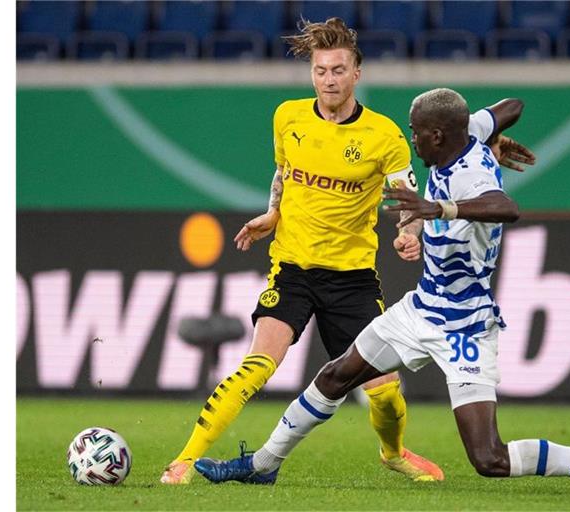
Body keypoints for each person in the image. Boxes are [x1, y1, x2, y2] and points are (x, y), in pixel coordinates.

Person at [192, 88, 570, 493]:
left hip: (465, 322)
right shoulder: (471, 134)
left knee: (490, 459)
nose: (412, 138)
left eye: (416, 131)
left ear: (438, 136)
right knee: (336, 375)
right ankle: (262, 466)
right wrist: (495, 132)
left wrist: (437, 208)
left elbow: (505, 207)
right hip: (420, 308)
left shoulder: (472, 175)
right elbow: (513, 104)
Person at [161, 18, 535, 485]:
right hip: (293, 267)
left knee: (383, 392)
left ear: (356, 72)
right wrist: (273, 214)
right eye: (320, 71)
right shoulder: (287, 116)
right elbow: (284, 172)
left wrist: (409, 231)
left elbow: (407, 196)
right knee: (257, 365)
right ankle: (184, 460)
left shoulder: (385, 136)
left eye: (338, 70)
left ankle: (393, 452)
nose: (328, 79)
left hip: (352, 276)